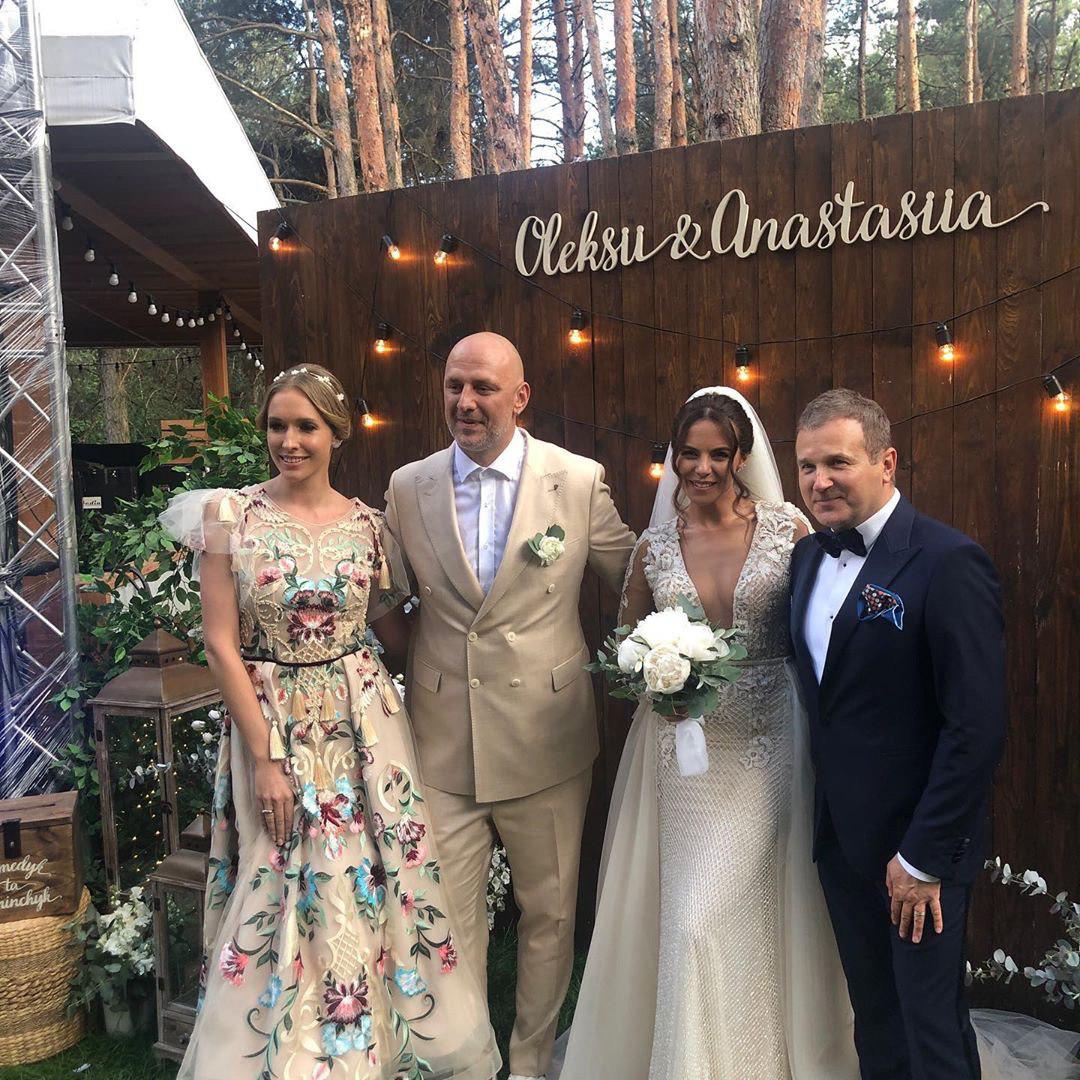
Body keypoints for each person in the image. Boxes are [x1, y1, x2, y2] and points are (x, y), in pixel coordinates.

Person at [158, 363, 500, 1080]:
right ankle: (283, 1054)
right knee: (280, 872)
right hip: (272, 723)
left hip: (364, 729)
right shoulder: (230, 516)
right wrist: (266, 758)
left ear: (337, 434)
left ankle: (371, 1049)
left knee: (371, 877)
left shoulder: (370, 527)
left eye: (306, 427)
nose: (289, 441)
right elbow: (219, 644)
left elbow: (396, 629)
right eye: (277, 426)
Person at [558, 387, 859, 1080]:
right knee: (692, 916)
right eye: (688, 454)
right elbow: (626, 644)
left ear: (740, 457)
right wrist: (654, 679)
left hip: (772, 736)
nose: (701, 468)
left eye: (717, 454)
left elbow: (825, 626)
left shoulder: (789, 529)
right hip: (685, 750)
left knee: (748, 901)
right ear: (674, 457)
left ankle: (771, 1054)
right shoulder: (655, 546)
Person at [383, 332, 635, 1080]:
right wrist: (420, 664)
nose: (466, 401)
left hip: (548, 737)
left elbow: (635, 580)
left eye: (484, 388)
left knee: (549, 915)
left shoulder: (577, 479)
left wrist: (668, 650)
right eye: (455, 385)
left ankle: (527, 1064)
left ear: (519, 397)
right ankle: (466, 1063)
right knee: (444, 919)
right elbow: (382, 595)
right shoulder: (408, 486)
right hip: (442, 741)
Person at [789, 388, 1004, 1080]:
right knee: (875, 1021)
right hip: (841, 842)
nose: (820, 481)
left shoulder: (948, 561)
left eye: (838, 463)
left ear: (886, 463)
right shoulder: (806, 559)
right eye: (807, 466)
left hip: (918, 849)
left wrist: (924, 858)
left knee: (930, 1028)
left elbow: (975, 725)